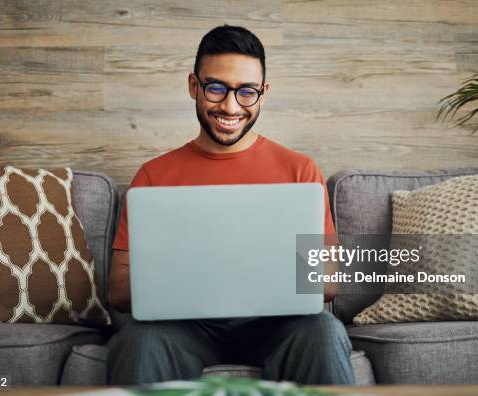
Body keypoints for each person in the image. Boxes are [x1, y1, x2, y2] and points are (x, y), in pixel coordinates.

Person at [107, 25, 355, 386]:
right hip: (183, 328)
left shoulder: (299, 170)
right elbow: (118, 290)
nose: (230, 106)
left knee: (323, 328)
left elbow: (328, 281)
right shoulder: (153, 175)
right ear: (194, 86)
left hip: (278, 326)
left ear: (263, 93)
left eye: (246, 92)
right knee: (138, 339)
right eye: (216, 88)